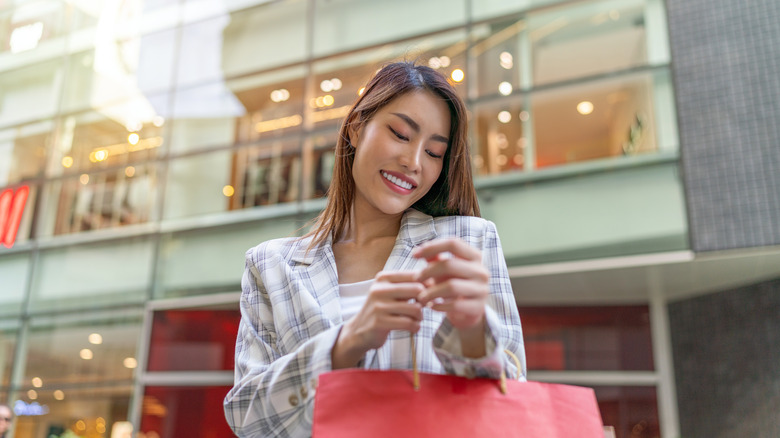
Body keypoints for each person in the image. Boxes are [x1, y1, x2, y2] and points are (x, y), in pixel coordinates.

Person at [224, 62, 526, 437]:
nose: (413, 162)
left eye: (434, 153)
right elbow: (247, 417)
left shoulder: (467, 242)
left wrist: (472, 331)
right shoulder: (270, 265)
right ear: (356, 127)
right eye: (400, 134)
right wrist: (346, 342)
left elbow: (512, 394)